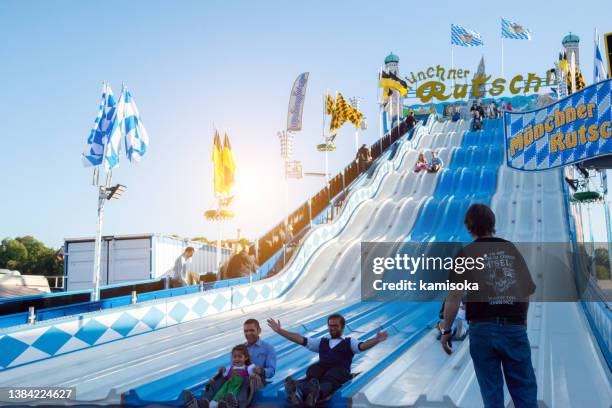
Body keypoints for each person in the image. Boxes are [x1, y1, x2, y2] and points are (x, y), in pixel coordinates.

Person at [440, 204, 537, 408]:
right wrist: (522, 324)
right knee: (524, 392)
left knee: (491, 394)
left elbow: (454, 296)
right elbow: (525, 292)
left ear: (469, 226)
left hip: (482, 329)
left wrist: (446, 330)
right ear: (492, 224)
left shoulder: (466, 254)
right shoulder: (510, 250)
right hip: (514, 327)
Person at [267, 313, 388, 407]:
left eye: (336, 326)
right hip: (321, 371)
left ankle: (315, 394)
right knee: (313, 371)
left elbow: (362, 346)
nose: (333, 328)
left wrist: (376, 340)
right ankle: (298, 392)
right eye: (330, 325)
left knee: (331, 376)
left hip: (339, 372)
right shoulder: (322, 341)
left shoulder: (349, 342)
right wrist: (280, 331)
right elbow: (300, 339)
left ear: (342, 327)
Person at [184, 319, 276, 408]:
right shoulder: (241, 348)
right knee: (219, 381)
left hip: (255, 379)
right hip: (237, 377)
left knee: (247, 381)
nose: (248, 333)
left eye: (252, 330)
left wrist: (261, 370)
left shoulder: (268, 348)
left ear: (259, 330)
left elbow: (271, 371)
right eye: (246, 331)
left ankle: (234, 404)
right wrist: (220, 374)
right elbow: (233, 367)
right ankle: (201, 403)